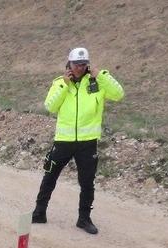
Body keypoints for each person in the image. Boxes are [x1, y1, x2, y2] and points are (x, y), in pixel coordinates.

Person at [32, 47, 124, 234]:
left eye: (83, 64)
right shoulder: (60, 83)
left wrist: (102, 75)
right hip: (63, 141)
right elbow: (50, 106)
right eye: (76, 64)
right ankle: (39, 212)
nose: (80, 68)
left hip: (87, 142)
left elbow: (119, 94)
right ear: (69, 64)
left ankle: (84, 219)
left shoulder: (98, 82)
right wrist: (65, 85)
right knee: (49, 176)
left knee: (87, 183)